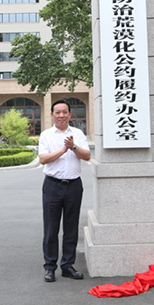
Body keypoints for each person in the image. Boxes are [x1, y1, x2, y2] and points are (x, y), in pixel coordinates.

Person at [38, 99, 90, 282]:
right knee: (51, 229)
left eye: (64, 112)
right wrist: (63, 149)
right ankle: (50, 267)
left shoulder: (78, 133)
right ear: (52, 115)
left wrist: (73, 146)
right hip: (52, 186)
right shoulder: (46, 135)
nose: (61, 115)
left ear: (70, 114)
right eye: (58, 112)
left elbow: (87, 155)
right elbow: (43, 159)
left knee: (71, 228)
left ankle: (67, 265)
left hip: (74, 186)